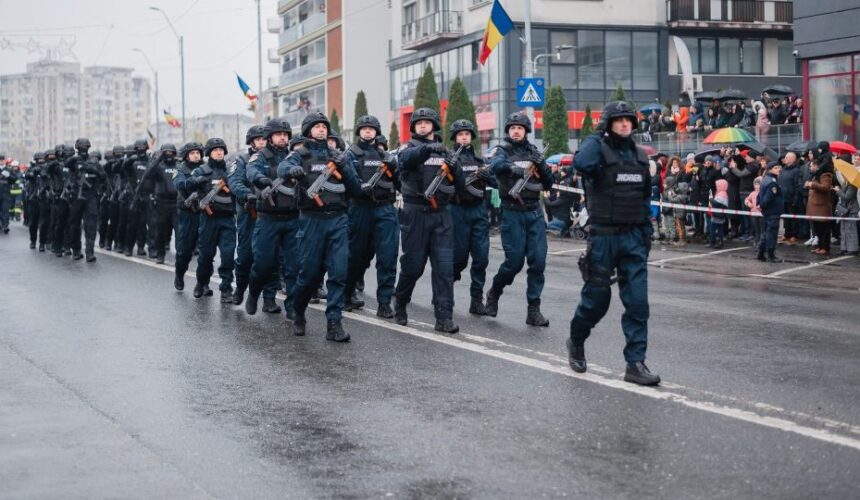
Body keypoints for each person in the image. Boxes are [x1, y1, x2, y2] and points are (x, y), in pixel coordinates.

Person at [567, 101, 659, 386]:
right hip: (604, 236)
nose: (623, 124)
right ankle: (576, 340)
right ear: (608, 124)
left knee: (637, 303)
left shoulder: (641, 158)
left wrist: (646, 237)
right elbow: (580, 164)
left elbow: (645, 200)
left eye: (628, 120)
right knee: (597, 300)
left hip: (633, 236)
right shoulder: (596, 153)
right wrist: (595, 136)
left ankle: (635, 363)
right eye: (617, 120)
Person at [277, 112, 363, 341]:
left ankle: (334, 323)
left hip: (338, 219)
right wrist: (290, 171)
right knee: (309, 274)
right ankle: (299, 311)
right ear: (308, 131)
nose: (322, 130)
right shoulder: (300, 155)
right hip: (311, 219)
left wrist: (345, 167)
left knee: (338, 272)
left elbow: (356, 189)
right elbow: (282, 168)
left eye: (324, 126)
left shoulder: (338, 156)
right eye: (316, 127)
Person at [392, 108, 464, 333]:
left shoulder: (445, 152)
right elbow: (404, 160)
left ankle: (444, 317)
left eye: (427, 122)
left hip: (441, 215)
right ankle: (401, 302)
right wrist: (425, 149)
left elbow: (460, 187)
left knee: (444, 268)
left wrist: (455, 168)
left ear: (434, 125)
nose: (423, 126)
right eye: (419, 123)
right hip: (416, 214)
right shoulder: (408, 147)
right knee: (413, 266)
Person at [484, 112, 553, 326]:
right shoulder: (501, 151)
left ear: (526, 131)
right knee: (513, 263)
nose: (516, 131)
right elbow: (495, 166)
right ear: (508, 131)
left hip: (534, 213)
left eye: (520, 128)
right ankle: (495, 291)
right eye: (512, 128)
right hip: (512, 212)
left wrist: (541, 166)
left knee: (538, 262)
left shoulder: (534, 152)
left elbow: (548, 183)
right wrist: (512, 168)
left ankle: (534, 310)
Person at [343, 115, 400, 317]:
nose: (368, 132)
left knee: (388, 256)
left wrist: (394, 167)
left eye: (371, 129)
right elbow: (348, 178)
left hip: (385, 208)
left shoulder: (386, 155)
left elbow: (401, 184)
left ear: (377, 132)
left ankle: (384, 302)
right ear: (359, 131)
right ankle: (346, 294)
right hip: (359, 209)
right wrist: (359, 187)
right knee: (355, 256)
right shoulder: (351, 154)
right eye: (364, 128)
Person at [245, 118, 299, 317]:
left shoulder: (295, 156)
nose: (283, 137)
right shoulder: (260, 157)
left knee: (294, 266)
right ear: (269, 137)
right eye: (279, 134)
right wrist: (262, 180)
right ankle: (253, 293)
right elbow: (250, 171)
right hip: (268, 219)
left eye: (285, 134)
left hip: (293, 218)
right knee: (264, 264)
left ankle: (293, 307)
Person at [447, 119, 495, 315]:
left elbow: (497, 182)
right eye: (460, 134)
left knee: (481, 258)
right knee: (458, 258)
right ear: (455, 138)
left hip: (478, 210)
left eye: (467, 134)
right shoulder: (449, 159)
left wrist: (487, 177)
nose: (464, 137)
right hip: (456, 210)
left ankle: (476, 300)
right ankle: (445, 293)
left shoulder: (480, 160)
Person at [227, 125, 272, 310]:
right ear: (251, 141)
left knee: (271, 257)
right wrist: (247, 194)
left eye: (264, 139)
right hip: (249, 211)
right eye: (258, 139)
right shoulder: (242, 159)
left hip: (270, 212)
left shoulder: (273, 158)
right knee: (246, 255)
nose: (262, 142)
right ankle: (240, 288)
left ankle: (269, 298)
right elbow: (234, 182)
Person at [190, 138, 237, 301]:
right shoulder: (201, 171)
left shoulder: (231, 170)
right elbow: (186, 187)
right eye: (215, 150)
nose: (219, 152)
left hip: (228, 218)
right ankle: (201, 283)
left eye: (221, 150)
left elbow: (240, 185)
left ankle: (226, 288)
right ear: (209, 152)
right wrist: (195, 182)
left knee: (228, 255)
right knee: (206, 256)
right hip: (209, 219)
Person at [173, 142, 206, 293]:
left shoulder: (206, 168)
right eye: (192, 153)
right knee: (185, 250)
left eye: (198, 153)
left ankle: (203, 282)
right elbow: (178, 184)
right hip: (187, 213)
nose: (196, 155)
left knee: (207, 250)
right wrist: (193, 181)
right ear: (186, 155)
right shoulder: (181, 169)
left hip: (205, 212)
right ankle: (179, 273)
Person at [140, 143, 180, 265]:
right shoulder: (158, 167)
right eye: (166, 153)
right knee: (160, 231)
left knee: (179, 231)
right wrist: (157, 159)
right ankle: (160, 254)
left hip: (176, 203)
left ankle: (180, 256)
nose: (169, 155)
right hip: (161, 203)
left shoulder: (179, 166)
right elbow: (147, 175)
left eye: (171, 152)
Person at [123, 139, 152, 257]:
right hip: (134, 197)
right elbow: (124, 166)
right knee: (132, 224)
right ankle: (129, 247)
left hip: (147, 196)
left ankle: (141, 247)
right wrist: (130, 159)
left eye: (143, 149)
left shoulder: (150, 162)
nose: (141, 151)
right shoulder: (131, 163)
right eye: (138, 149)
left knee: (144, 224)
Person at [806, 143, 835, 256]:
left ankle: (825, 247)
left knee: (824, 230)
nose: (810, 167)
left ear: (818, 166)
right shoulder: (815, 175)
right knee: (818, 229)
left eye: (812, 166)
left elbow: (826, 187)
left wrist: (812, 185)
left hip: (822, 206)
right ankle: (820, 246)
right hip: (815, 206)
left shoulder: (825, 175)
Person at [757, 163, 784, 262]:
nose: (778, 169)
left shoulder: (765, 179)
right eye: (775, 168)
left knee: (765, 233)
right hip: (773, 211)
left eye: (778, 167)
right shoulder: (772, 182)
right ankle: (771, 255)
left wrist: (759, 204)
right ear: (769, 170)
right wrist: (762, 205)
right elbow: (769, 197)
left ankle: (760, 253)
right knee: (771, 233)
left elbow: (759, 195)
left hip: (768, 211)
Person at [778, 152, 801, 245]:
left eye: (787, 157)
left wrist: (795, 198)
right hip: (783, 197)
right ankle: (787, 233)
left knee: (793, 218)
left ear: (792, 159)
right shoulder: (783, 169)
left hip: (792, 198)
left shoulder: (796, 170)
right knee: (785, 218)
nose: (784, 159)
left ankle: (794, 235)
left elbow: (797, 185)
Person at [834, 170, 859, 256]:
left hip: (851, 210)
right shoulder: (846, 183)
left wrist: (838, 191)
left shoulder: (852, 185)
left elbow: (847, 197)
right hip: (845, 210)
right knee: (843, 229)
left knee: (850, 230)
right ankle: (844, 248)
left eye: (843, 174)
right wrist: (840, 190)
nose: (842, 175)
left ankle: (853, 249)